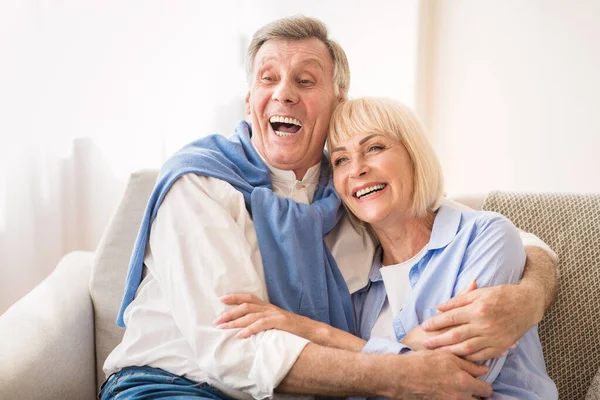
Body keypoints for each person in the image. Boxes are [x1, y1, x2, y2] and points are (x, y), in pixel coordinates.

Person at [101, 16, 557, 400]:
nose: (284, 93)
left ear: (337, 102)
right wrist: (401, 375)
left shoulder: (348, 189)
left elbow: (489, 232)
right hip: (171, 384)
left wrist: (528, 296)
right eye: (268, 78)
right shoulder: (200, 184)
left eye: (305, 80)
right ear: (249, 102)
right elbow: (231, 348)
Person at [216, 97, 558, 399]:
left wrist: (308, 329)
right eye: (340, 160)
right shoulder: (357, 278)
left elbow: (446, 377)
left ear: (414, 154)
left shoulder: (483, 237)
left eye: (374, 148)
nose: (357, 169)